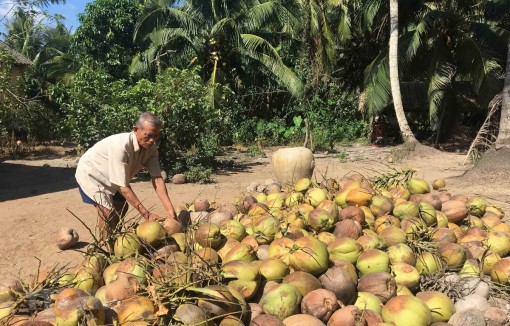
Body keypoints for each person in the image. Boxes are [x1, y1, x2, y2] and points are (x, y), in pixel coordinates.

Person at [75, 112, 177, 238]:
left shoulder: (151, 149)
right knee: (106, 212)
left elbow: (157, 179)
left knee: (121, 206)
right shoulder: (120, 146)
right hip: (92, 174)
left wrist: (170, 211)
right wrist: (146, 214)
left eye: (156, 136)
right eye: (149, 136)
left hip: (112, 177)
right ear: (136, 130)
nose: (152, 140)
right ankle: (105, 245)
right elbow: (123, 187)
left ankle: (115, 238)